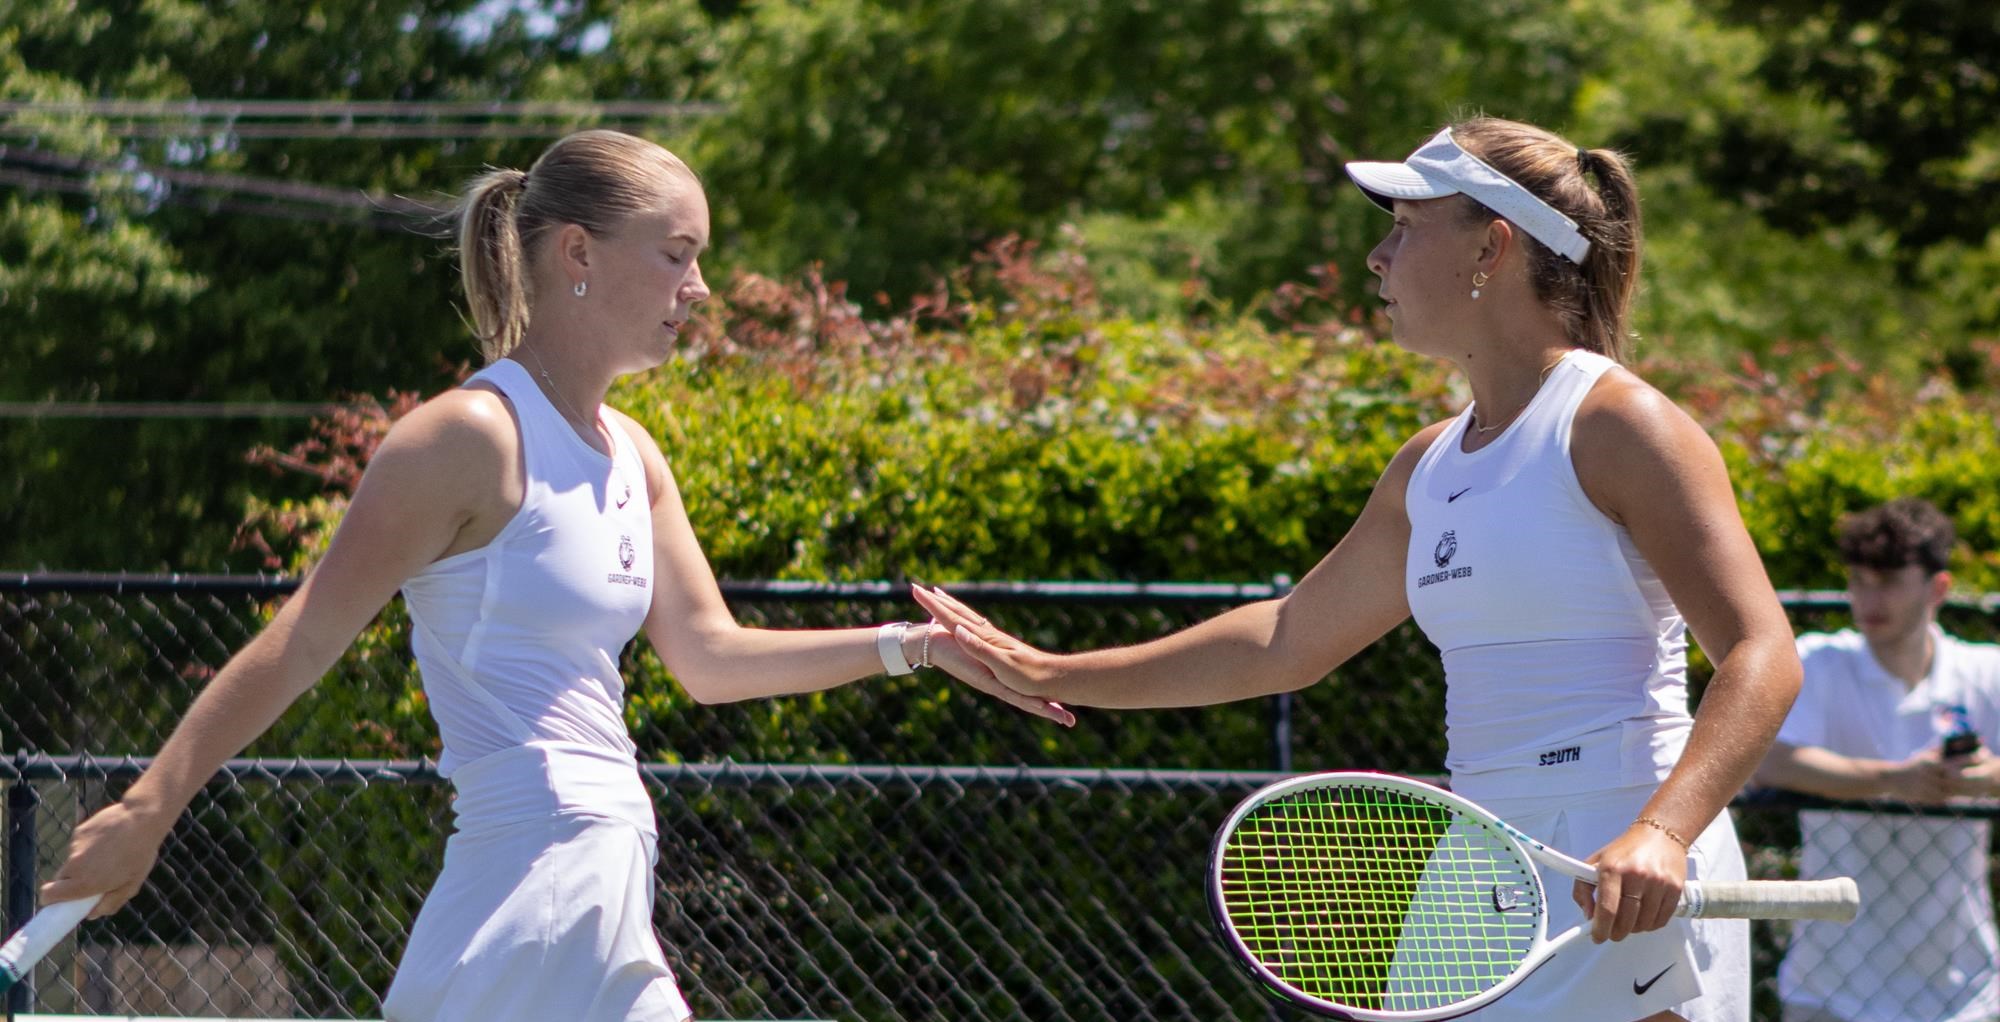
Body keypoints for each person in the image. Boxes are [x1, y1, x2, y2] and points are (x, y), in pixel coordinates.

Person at [38, 129, 1070, 1022]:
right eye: (676, 254)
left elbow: (709, 657)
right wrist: (148, 807)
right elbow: (305, 633)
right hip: (527, 881)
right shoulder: (465, 437)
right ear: (577, 251)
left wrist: (914, 646)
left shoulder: (633, 454)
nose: (698, 288)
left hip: (609, 871)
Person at [912, 117, 1803, 1022]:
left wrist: (1661, 831)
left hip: (1623, 855)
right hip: (1484, 855)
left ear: (1491, 245)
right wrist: (1047, 672)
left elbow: (1763, 652)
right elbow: (1283, 641)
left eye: (1406, 226)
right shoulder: (1429, 466)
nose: (1377, 258)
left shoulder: (1622, 426)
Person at [1754, 498, 2000, 1022]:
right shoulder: (1819, 661)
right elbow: (1768, 761)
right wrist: (1895, 780)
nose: (1869, 596)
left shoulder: (1984, 671)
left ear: (1938, 587)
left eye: (1887, 580)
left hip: (1962, 984)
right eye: (1858, 580)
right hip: (1830, 979)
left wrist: (1987, 778)